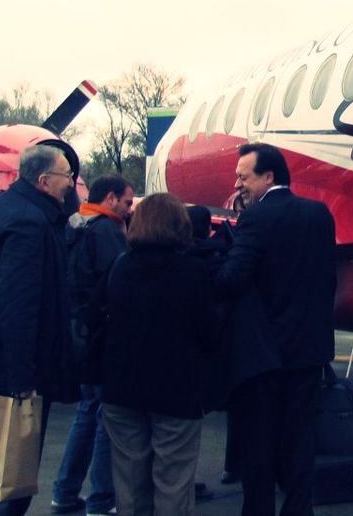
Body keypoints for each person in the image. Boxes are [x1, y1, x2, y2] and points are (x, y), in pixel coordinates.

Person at [0, 141, 81, 516]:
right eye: (66, 177)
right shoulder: (29, 221)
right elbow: (19, 306)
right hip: (16, 374)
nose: (71, 185)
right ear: (44, 180)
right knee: (12, 478)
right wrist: (22, 378)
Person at [214, 143, 336, 516]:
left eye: (243, 176)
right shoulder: (320, 215)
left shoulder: (256, 219)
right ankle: (299, 509)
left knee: (259, 443)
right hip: (309, 349)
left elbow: (233, 279)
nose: (238, 183)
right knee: (300, 438)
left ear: (268, 177)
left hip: (264, 355)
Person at [99, 193, 218, 516]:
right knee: (174, 481)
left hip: (122, 386)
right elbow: (208, 333)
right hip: (177, 389)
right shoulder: (192, 271)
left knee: (130, 481)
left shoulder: (121, 266)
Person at [52, 174, 134, 516]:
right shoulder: (106, 231)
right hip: (100, 335)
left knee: (87, 411)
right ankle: (102, 497)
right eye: (128, 202)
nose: (130, 210)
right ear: (111, 199)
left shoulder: (73, 226)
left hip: (76, 331)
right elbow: (119, 283)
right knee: (106, 417)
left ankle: (64, 491)